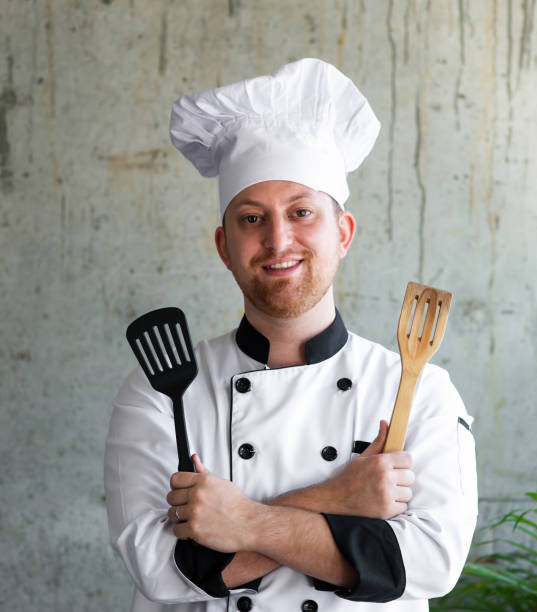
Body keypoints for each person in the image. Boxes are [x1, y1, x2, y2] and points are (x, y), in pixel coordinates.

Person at [104, 58, 478, 612]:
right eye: (251, 219)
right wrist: (341, 499)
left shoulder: (417, 389)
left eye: (302, 212)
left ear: (343, 233)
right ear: (224, 246)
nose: (279, 241)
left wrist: (241, 523)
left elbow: (428, 562)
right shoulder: (162, 389)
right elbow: (159, 571)